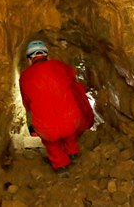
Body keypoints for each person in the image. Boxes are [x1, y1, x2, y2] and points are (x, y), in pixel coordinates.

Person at [19, 40, 94, 176]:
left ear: (30, 60)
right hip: (72, 122)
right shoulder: (59, 66)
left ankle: (61, 166)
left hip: (48, 129)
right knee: (69, 131)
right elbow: (73, 79)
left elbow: (27, 104)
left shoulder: (24, 77)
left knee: (52, 143)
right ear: (47, 56)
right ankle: (73, 153)